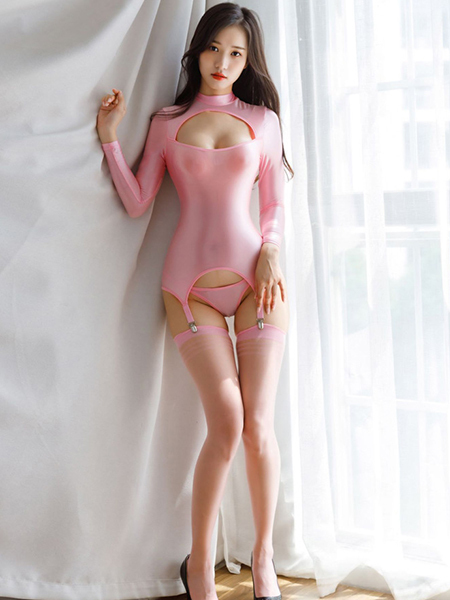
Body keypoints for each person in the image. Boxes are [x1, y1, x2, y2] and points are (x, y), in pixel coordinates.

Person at [96, 3, 294, 600]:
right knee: (227, 421)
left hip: (258, 283)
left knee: (258, 426)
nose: (223, 63)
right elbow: (138, 202)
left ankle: (263, 559)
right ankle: (201, 568)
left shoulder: (262, 120)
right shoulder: (166, 122)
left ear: (248, 61)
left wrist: (271, 250)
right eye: (214, 49)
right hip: (188, 289)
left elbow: (274, 203)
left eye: (236, 53)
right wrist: (110, 140)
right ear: (197, 50)